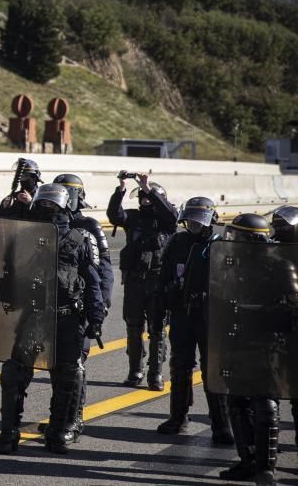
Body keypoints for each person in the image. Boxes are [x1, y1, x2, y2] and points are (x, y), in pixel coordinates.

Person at [0, 183, 105, 455]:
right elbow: (9, 272)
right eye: (42, 204)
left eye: (52, 204)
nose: (46, 208)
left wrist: (97, 315)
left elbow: (93, 282)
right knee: (13, 373)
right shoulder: (26, 235)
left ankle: (57, 433)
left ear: (64, 207)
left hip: (67, 317)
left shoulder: (81, 238)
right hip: (32, 315)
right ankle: (9, 433)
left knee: (68, 376)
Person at [156, 196, 233, 445]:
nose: (194, 224)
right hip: (182, 314)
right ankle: (178, 418)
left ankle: (221, 425)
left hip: (210, 317)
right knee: (180, 366)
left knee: (212, 370)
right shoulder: (177, 242)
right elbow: (163, 279)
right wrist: (160, 310)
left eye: (199, 219)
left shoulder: (220, 244)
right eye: (190, 219)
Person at [216, 214, 281, 484]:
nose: (231, 240)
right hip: (237, 339)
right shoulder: (233, 265)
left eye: (237, 236)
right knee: (236, 400)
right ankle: (248, 460)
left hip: (266, 343)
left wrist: (258, 312)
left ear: (251, 239)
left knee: (264, 402)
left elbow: (288, 307)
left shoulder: (278, 266)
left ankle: (265, 467)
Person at [51, 173, 114, 438]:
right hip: (53, 305)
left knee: (75, 364)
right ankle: (61, 416)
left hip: (80, 304)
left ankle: (73, 420)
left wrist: (100, 307)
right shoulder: (50, 223)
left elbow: (102, 269)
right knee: (56, 365)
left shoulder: (88, 226)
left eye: (70, 192)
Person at [107, 172, 177, 390]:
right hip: (134, 282)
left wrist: (147, 187)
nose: (145, 200)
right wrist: (120, 189)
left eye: (149, 197)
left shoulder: (167, 222)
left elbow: (171, 214)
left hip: (157, 282)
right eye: (143, 197)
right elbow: (114, 215)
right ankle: (135, 370)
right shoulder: (133, 218)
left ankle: (155, 374)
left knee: (157, 329)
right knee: (133, 326)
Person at [270, 205, 297, 454]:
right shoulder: (270, 256)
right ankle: (265, 451)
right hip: (275, 333)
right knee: (268, 391)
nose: (277, 233)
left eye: (283, 228)